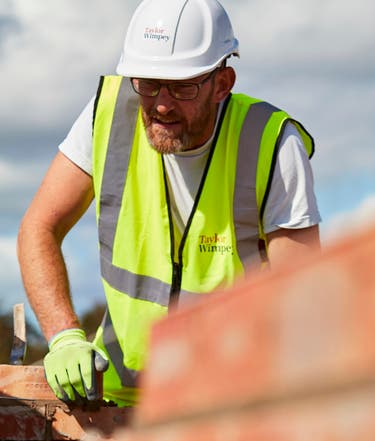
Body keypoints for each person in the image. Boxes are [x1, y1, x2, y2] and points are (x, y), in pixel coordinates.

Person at [18, 0, 321, 407]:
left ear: (222, 83)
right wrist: (64, 336)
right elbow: (38, 228)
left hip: (229, 407)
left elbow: (303, 298)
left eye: (182, 87)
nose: (161, 104)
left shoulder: (271, 143)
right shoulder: (107, 115)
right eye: (148, 84)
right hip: (118, 400)